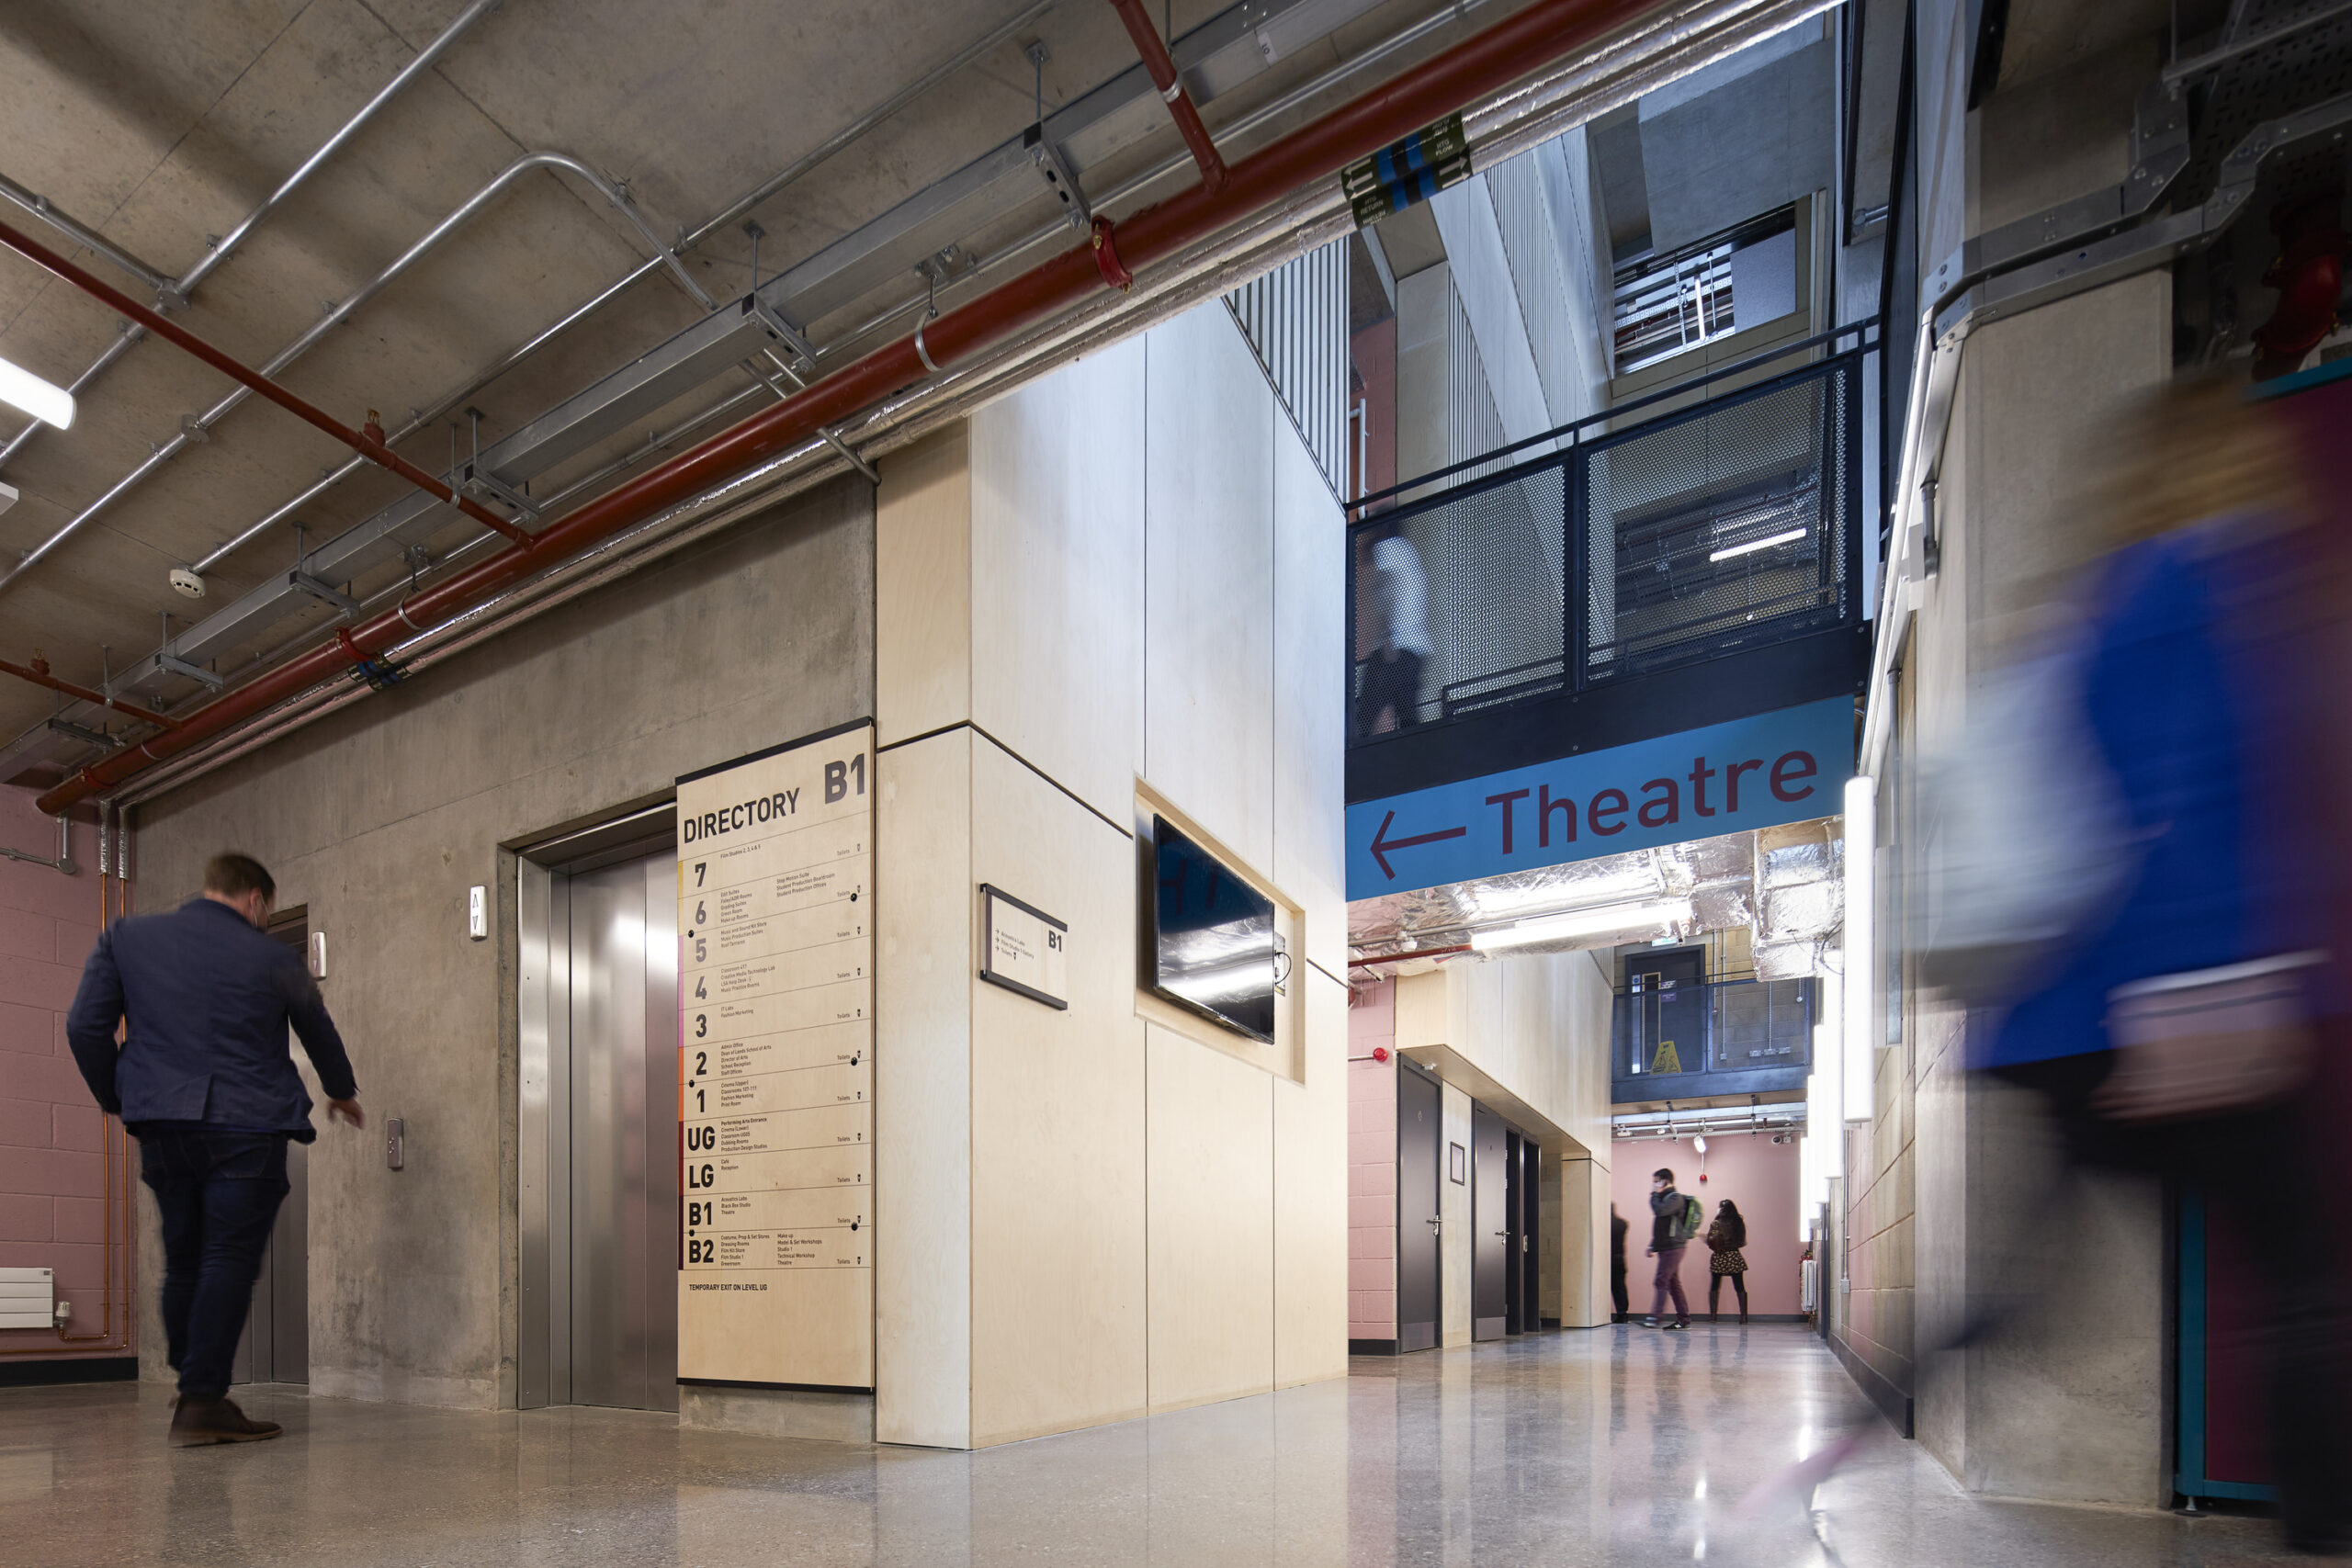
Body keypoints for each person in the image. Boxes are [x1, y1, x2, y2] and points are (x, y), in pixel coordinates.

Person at [1964, 374, 2351, 1551]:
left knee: (2051, 1281)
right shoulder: (2190, 588)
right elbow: (2174, 805)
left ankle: (1935, 1354)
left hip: (2061, 1023)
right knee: (2302, 1280)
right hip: (2143, 1012)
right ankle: (2327, 1519)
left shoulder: (2103, 603)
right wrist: (2196, 1001)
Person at [66, 853, 363, 1449]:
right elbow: (316, 1025)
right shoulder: (273, 955)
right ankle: (203, 1398)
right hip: (247, 1124)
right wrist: (340, 1090)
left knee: (184, 1256)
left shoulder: (129, 937)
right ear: (256, 899)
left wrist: (120, 1093)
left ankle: (194, 1382)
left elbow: (83, 1026)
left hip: (164, 1121)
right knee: (227, 1255)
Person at [1355, 526, 1431, 736]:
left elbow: (1389, 588)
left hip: (1394, 646)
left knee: (1365, 714)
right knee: (1407, 714)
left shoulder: (1389, 547)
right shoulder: (1409, 554)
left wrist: (1388, 637)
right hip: (1414, 649)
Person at [1644, 1168, 1700, 1329]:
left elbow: (1659, 1211)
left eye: (1656, 1181)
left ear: (1666, 1181)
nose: (1654, 1185)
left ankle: (1655, 1318)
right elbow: (1661, 1225)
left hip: (1674, 1246)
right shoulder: (1665, 1199)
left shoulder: (1675, 1198)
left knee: (1661, 1280)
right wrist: (1652, 1245)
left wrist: (1653, 1194)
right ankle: (1683, 1319)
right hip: (1666, 1246)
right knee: (1673, 1284)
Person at [1705, 1199, 1748, 1323]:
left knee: (1714, 1286)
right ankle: (1744, 1317)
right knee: (1740, 1287)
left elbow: (1710, 1241)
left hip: (1719, 1256)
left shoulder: (1715, 1223)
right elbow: (1742, 1242)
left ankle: (1713, 1316)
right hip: (1734, 1256)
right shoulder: (1738, 1222)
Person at [1610, 1202, 1629, 1324]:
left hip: (1607, 1259)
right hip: (1619, 1258)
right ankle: (1623, 1314)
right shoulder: (1623, 1223)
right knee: (1620, 1287)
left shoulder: (1605, 1224)